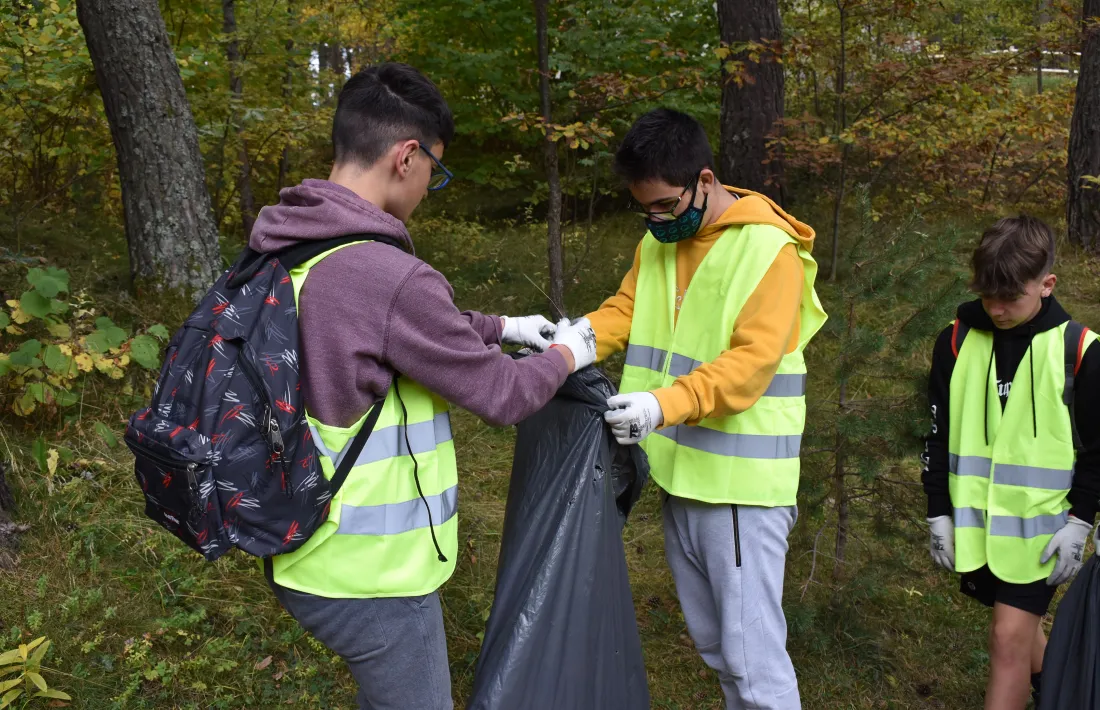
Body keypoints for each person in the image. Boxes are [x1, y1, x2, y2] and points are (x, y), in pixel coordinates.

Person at [248, 62, 596, 710]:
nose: (432, 188)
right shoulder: (389, 274)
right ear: (407, 156)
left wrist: (505, 325)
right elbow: (504, 397)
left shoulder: (292, 244)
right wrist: (569, 355)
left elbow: (394, 332)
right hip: (371, 574)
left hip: (297, 544)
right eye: (437, 170)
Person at [582, 108, 828, 709]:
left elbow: (751, 364)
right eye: (646, 209)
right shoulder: (660, 239)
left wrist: (660, 406)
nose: (657, 220)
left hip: (741, 492)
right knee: (721, 650)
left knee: (754, 662)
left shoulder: (769, 249)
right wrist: (570, 342)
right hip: (682, 479)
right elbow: (624, 310)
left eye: (667, 205)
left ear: (707, 180)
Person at [921, 215, 1100, 709]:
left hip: (1043, 535)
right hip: (980, 530)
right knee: (1014, 631)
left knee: (1005, 639)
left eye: (1011, 298)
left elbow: (1097, 452)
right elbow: (937, 434)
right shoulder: (955, 343)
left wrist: (1081, 521)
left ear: (1047, 285)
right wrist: (938, 509)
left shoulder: (1080, 352)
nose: (997, 310)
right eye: (987, 296)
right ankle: (1055, 687)